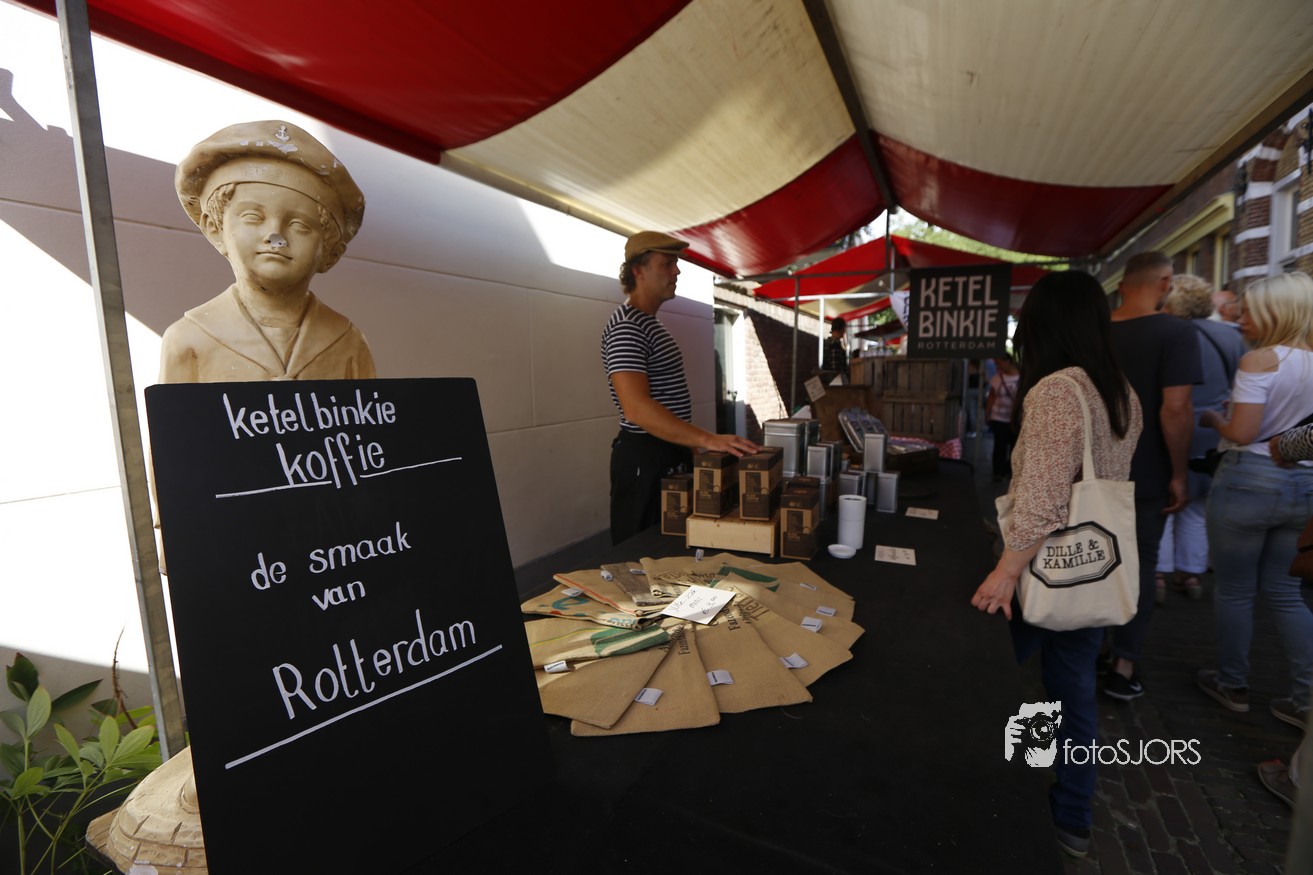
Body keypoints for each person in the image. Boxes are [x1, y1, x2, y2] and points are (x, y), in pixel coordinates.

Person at [971, 271, 1143, 859]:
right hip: (1094, 570)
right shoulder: (1119, 390)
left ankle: (1000, 794)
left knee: (986, 677)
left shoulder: (1057, 392)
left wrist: (1005, 572)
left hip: (1042, 570)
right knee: (1073, 691)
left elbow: (1043, 501)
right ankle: (1071, 815)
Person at [161, 120, 375, 382]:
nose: (276, 236)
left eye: (299, 225)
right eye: (253, 216)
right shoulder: (188, 340)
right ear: (215, 229)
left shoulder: (348, 342)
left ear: (331, 253)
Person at [1195, 271, 1313, 733]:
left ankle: (1233, 684)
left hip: (1250, 479)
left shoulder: (1260, 359)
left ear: (1275, 314)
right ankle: (1305, 700)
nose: (1241, 319)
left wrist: (1213, 419)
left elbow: (1243, 432)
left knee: (1235, 589)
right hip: (1304, 483)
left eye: (1251, 312)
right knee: (1286, 592)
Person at [601, 231, 760, 544]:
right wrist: (709, 438)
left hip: (666, 451)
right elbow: (636, 409)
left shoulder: (648, 323)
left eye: (675, 263)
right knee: (641, 552)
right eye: (667, 263)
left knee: (670, 548)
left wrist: (691, 448)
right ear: (638, 270)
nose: (677, 271)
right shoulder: (626, 327)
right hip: (645, 458)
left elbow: (664, 403)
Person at [1104, 251, 1201, 701]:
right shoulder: (1177, 333)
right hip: (1147, 470)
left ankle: (1084, 644)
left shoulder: (1093, 331)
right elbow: (1175, 409)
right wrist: (1178, 473)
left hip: (1091, 467)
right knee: (1139, 565)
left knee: (1090, 551)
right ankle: (1123, 663)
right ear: (1165, 282)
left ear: (1123, 285)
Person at [1154, 275, 1245, 602]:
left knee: (1163, 501)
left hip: (1167, 424)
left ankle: (1157, 575)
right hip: (1211, 429)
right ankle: (1190, 574)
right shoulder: (1230, 336)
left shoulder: (1162, 334)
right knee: (1197, 504)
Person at [985, 354, 1020, 481]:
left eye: (999, 363)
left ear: (1008, 361)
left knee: (1014, 446)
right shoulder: (996, 378)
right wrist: (987, 413)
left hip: (1014, 418)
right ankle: (998, 471)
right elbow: (991, 397)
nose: (998, 366)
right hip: (998, 417)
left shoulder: (1021, 378)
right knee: (999, 445)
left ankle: (1010, 471)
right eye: (997, 364)